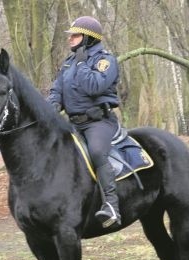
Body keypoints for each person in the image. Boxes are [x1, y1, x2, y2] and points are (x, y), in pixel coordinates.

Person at [48, 16, 122, 228]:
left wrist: (82, 63)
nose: (70, 39)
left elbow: (93, 87)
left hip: (98, 123)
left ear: (88, 38)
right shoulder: (68, 63)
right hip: (73, 123)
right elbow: (57, 91)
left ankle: (111, 205)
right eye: (70, 35)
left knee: (97, 152)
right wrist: (50, 108)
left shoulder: (105, 61)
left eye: (76, 35)